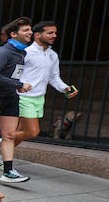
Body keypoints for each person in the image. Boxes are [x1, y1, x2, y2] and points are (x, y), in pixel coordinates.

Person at [0, 15, 34, 183]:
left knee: (9, 135)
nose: (30, 32)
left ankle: (8, 171)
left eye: (30, 29)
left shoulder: (21, 53)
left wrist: (16, 86)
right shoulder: (4, 51)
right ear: (13, 34)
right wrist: (18, 83)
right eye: (25, 30)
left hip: (11, 98)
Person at [16, 20, 78, 157]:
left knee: (22, 131)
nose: (54, 35)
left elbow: (54, 78)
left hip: (39, 98)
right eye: (50, 33)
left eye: (55, 33)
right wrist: (19, 86)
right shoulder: (25, 52)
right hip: (24, 97)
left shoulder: (53, 55)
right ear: (37, 35)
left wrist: (65, 88)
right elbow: (14, 73)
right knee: (32, 131)